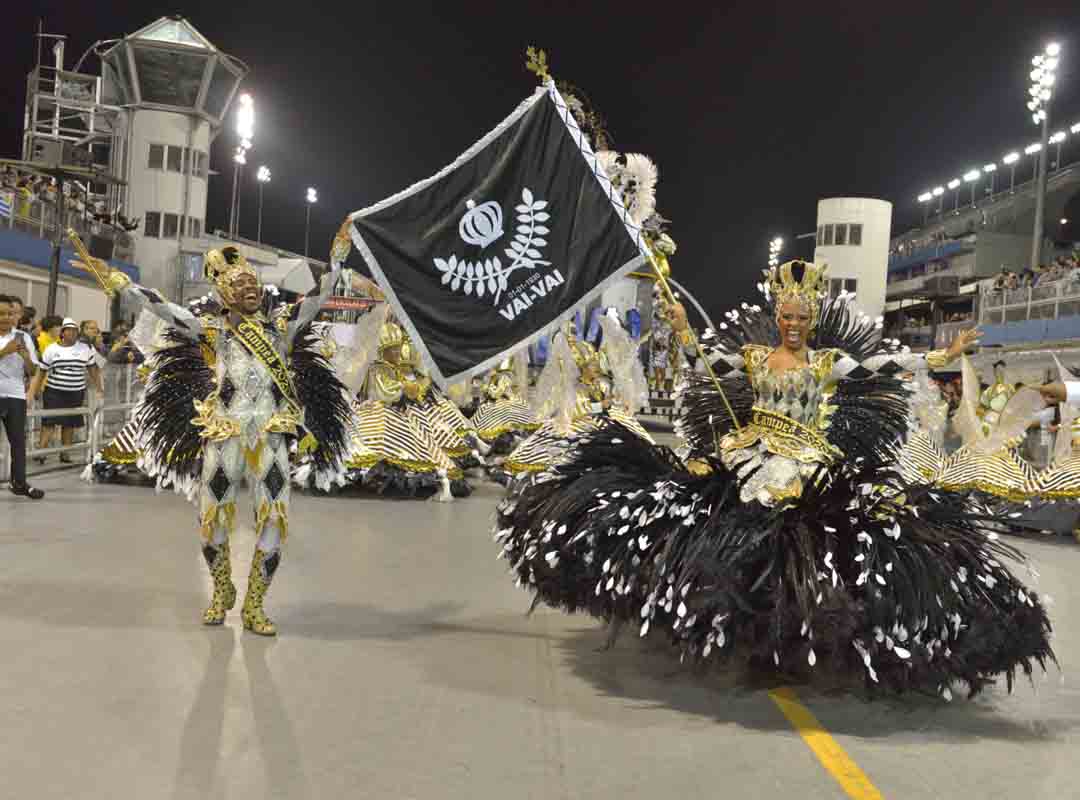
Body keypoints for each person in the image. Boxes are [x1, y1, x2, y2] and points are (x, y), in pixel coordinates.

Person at [496, 260, 1052, 699]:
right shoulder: (756, 357)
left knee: (802, 542)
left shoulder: (826, 364)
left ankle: (789, 631)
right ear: (778, 317)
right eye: (786, 316)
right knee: (732, 533)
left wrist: (942, 355)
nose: (792, 325)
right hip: (751, 453)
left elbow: (887, 366)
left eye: (800, 318)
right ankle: (734, 624)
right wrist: (684, 329)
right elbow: (703, 359)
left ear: (810, 320)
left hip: (806, 461)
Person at [78, 232, 351, 635]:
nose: (250, 291)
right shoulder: (211, 331)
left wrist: (338, 259)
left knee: (274, 518)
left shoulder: (280, 327)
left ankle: (255, 604)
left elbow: (317, 298)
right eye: (239, 286)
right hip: (223, 434)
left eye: (253, 285)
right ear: (224, 293)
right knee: (212, 520)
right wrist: (123, 284)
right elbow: (165, 309)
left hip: (271, 435)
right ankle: (222, 588)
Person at [29, 318, 102, 464]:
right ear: (63, 332)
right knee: (49, 422)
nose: (72, 333)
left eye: (75, 330)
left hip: (75, 392)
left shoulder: (84, 349)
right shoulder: (52, 349)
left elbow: (93, 369)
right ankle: (41, 452)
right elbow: (41, 372)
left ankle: (65, 453)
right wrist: (33, 390)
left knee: (69, 423)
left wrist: (99, 388)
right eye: (69, 330)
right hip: (54, 392)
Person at [0, 295, 44, 499]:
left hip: (16, 395)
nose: (6, 317)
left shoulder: (23, 337)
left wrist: (26, 357)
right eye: (1, 314)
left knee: (18, 442)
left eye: (10, 313)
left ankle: (19, 483)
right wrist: (4, 351)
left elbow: (33, 371)